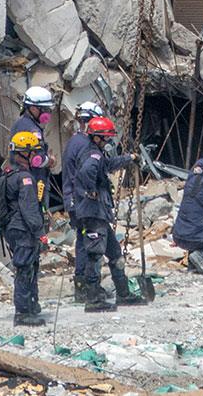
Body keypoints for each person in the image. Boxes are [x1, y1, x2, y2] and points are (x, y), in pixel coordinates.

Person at [72, 115, 137, 310]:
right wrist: (91, 189)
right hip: (93, 214)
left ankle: (124, 293)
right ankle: (93, 299)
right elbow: (86, 172)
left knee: (115, 254)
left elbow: (109, 165)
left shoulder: (96, 153)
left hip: (99, 214)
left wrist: (129, 159)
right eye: (106, 137)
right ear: (97, 137)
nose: (109, 141)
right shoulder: (93, 156)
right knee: (94, 255)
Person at [3, 130, 49, 327]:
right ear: (24, 154)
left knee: (29, 266)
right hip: (23, 230)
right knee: (24, 269)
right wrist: (41, 234)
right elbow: (29, 209)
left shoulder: (8, 173)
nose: (35, 157)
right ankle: (22, 312)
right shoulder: (25, 179)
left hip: (14, 228)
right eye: (32, 153)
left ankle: (31, 305)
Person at [61, 100, 103, 303]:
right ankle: (86, 287)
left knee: (85, 240)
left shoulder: (75, 141)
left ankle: (85, 286)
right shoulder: (84, 144)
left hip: (74, 199)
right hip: (80, 201)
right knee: (88, 242)